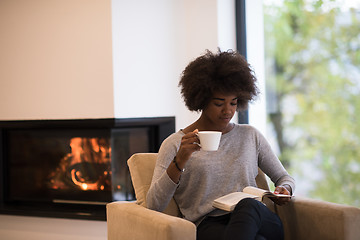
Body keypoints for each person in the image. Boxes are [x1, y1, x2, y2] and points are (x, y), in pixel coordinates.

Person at [146, 49, 295, 240]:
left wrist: (285, 190)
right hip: (210, 225)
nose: (228, 111)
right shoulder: (176, 144)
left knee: (248, 205)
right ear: (201, 99)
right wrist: (179, 162)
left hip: (258, 217)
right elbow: (153, 205)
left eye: (233, 103)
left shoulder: (250, 135)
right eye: (219, 103)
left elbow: (284, 177)